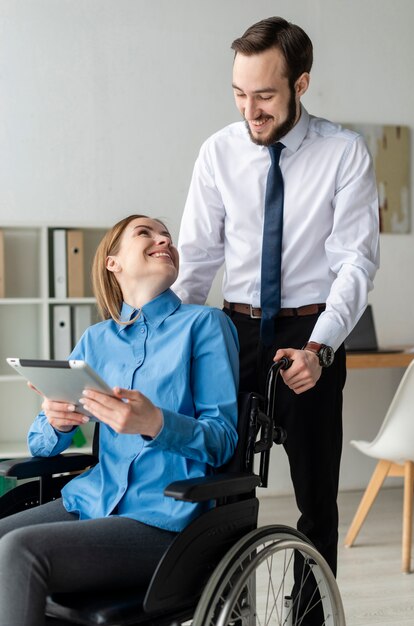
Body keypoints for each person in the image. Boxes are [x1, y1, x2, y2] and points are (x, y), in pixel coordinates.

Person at [173, 15, 380, 581]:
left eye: (264, 94)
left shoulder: (344, 153)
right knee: (221, 490)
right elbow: (196, 261)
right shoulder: (218, 152)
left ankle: (311, 615)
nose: (250, 110)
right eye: (239, 93)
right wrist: (164, 335)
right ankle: (229, 610)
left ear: (301, 84)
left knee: (317, 502)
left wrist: (320, 349)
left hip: (308, 332)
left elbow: (355, 263)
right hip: (231, 333)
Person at [0, 214, 239, 626]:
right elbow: (42, 445)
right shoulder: (96, 340)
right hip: (92, 499)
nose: (163, 238)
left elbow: (223, 440)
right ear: (113, 263)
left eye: (166, 234)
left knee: (20, 550)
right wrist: (55, 421)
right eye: (145, 233)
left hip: (165, 518)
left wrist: (156, 423)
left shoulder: (205, 326)